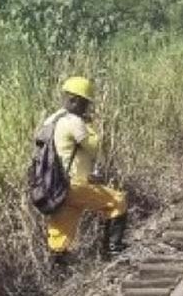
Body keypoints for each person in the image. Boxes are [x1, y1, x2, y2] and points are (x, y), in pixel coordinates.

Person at [42, 77, 128, 264]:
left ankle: (60, 271)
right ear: (75, 100)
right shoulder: (74, 121)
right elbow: (95, 146)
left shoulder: (51, 120)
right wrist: (90, 125)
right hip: (75, 184)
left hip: (57, 187)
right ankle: (114, 252)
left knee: (60, 236)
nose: (86, 108)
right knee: (117, 201)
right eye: (85, 103)